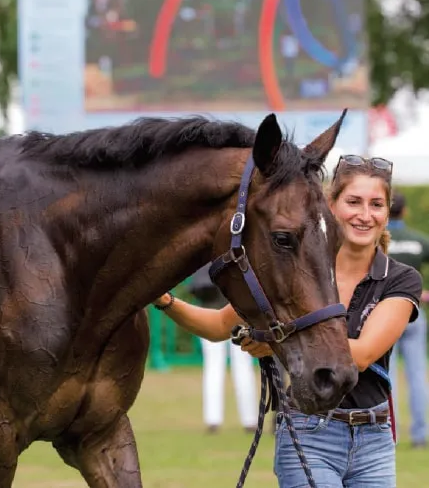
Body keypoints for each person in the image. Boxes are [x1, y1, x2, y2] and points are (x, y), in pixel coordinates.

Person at [152, 154, 421, 487]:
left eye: (376, 204)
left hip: (375, 440)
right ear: (331, 205)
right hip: (309, 433)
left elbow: (364, 354)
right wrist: (163, 299)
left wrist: (275, 339)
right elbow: (218, 326)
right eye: (354, 202)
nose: (365, 215)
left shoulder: (400, 279)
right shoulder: (296, 270)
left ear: (386, 211)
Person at [188, 262, 258, 434]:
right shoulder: (239, 248)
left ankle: (213, 419)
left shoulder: (208, 251)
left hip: (213, 312)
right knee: (242, 365)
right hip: (237, 312)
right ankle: (249, 420)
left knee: (214, 367)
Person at [386, 190, 429, 448]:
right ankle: (420, 435)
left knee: (385, 377)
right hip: (414, 314)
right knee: (417, 376)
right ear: (405, 211)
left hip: (383, 316)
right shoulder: (419, 240)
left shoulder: (376, 240)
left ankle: (390, 434)